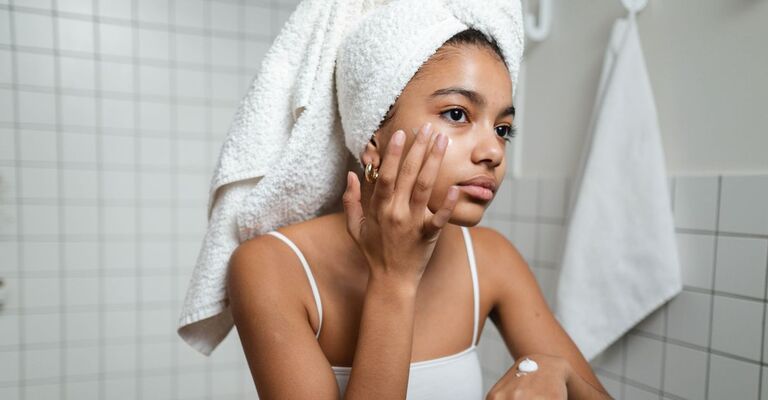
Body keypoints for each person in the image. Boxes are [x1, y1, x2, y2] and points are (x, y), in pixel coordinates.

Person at [226, 26, 613, 399]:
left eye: (502, 128)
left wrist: (562, 375)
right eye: (457, 114)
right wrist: (394, 280)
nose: (494, 151)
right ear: (373, 140)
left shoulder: (492, 259)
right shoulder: (270, 267)